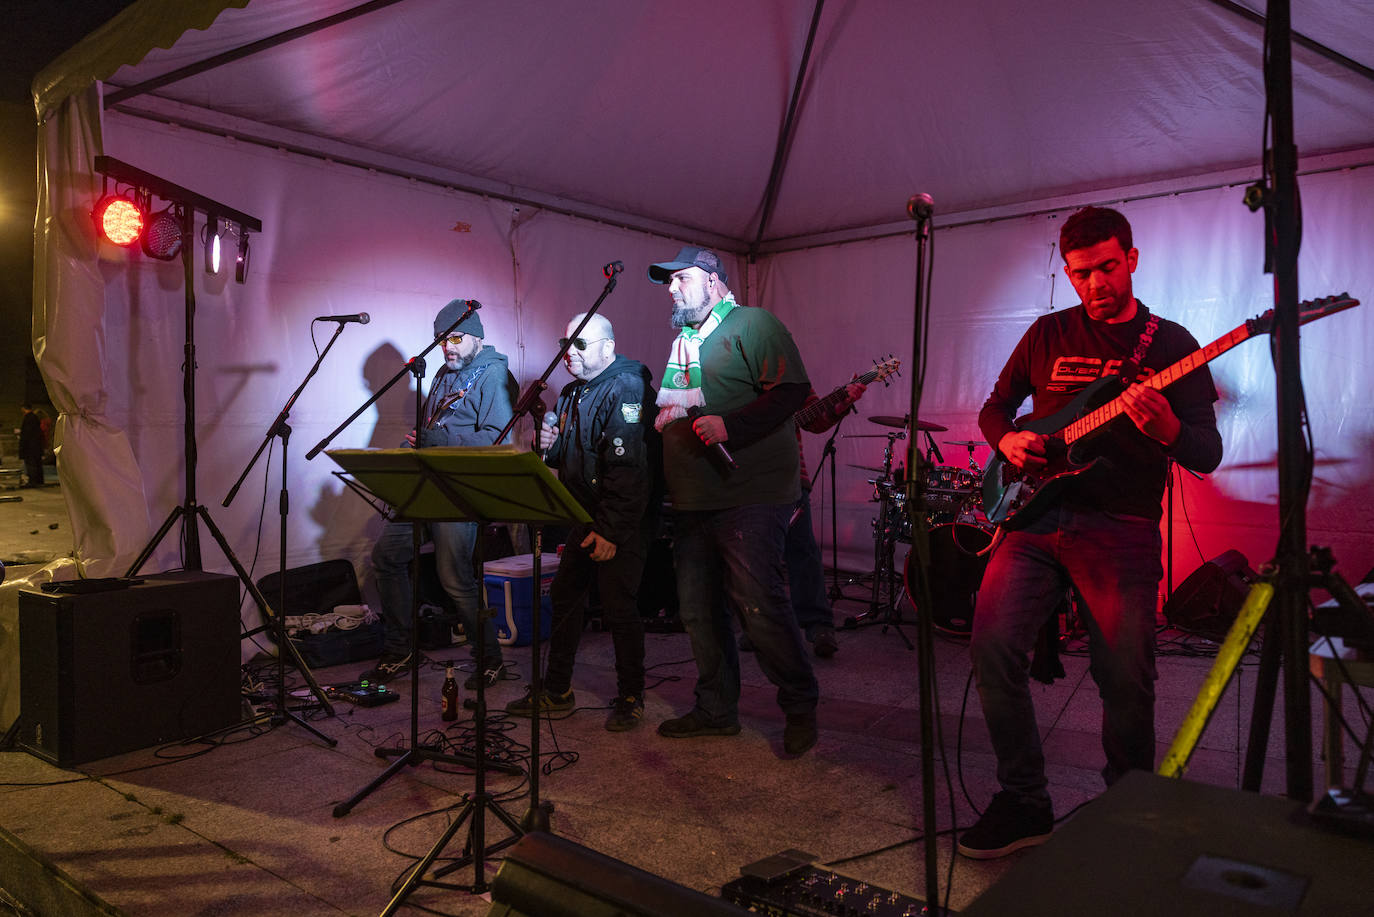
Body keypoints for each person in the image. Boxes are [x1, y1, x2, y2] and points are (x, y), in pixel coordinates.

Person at [957, 206, 1222, 859]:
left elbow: (1207, 451)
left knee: (1125, 678)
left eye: (1106, 267)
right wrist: (1008, 437)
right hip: (1033, 516)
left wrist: (1167, 431)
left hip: (1120, 526)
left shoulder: (1172, 344)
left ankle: (1129, 806)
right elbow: (996, 407)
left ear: (1131, 258)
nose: (1096, 283)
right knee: (991, 648)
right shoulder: (1048, 333)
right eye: (1081, 273)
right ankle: (1024, 799)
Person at [648, 245, 821, 756]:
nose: (672, 288)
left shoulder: (752, 323)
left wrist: (733, 426)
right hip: (693, 497)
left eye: (681, 278)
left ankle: (800, 703)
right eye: (669, 282)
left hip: (750, 492)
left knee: (758, 603)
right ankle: (717, 709)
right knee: (699, 610)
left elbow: (792, 391)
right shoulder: (685, 342)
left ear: (714, 279)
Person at [505, 313, 657, 731]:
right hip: (585, 513)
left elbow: (629, 471)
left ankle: (631, 695)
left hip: (620, 518)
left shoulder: (627, 387)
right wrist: (551, 447)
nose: (568, 353)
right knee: (566, 598)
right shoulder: (572, 392)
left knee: (618, 607)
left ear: (608, 347)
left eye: (580, 345)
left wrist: (610, 531)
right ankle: (557, 690)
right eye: (565, 343)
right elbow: (568, 455)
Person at [360, 301, 518, 690]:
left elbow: (498, 441)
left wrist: (441, 441)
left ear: (477, 336)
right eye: (441, 340)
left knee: (454, 577)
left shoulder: (494, 375)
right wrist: (412, 448)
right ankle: (402, 650)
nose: (447, 347)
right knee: (387, 556)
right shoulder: (447, 374)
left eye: (455, 338)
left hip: (458, 494)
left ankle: (489, 658)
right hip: (425, 487)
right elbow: (434, 428)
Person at [18, 403, 44, 487]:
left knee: (31, 464)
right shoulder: (35, 417)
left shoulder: (28, 418)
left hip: (30, 447)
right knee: (37, 463)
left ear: (23, 409)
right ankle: (39, 481)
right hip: (36, 446)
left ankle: (33, 481)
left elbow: (27, 434)